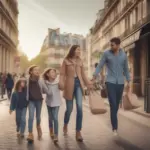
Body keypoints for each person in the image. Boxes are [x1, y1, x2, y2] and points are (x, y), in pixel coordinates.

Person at [93, 37, 131, 135]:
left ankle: (114, 121)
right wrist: (94, 76)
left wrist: (128, 81)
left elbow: (126, 69)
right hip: (110, 82)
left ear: (118, 45)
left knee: (116, 105)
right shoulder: (106, 54)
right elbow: (100, 65)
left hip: (120, 83)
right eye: (110, 44)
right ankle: (115, 127)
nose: (111, 46)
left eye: (112, 45)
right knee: (113, 105)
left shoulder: (123, 55)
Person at [59, 45, 93, 142]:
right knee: (69, 109)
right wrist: (61, 83)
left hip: (79, 85)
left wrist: (89, 83)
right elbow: (62, 74)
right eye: (78, 50)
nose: (79, 51)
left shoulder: (80, 61)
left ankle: (78, 131)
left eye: (80, 50)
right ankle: (65, 124)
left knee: (79, 107)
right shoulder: (66, 61)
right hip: (69, 85)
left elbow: (83, 75)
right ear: (73, 50)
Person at [26, 65, 48, 142]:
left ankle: (38, 126)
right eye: (35, 70)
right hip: (31, 100)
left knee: (38, 117)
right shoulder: (27, 80)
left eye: (38, 70)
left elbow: (45, 89)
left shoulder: (41, 80)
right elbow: (24, 89)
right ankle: (30, 133)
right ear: (31, 72)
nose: (37, 71)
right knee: (31, 117)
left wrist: (50, 90)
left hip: (39, 100)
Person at [43, 68, 62, 143]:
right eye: (52, 72)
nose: (54, 74)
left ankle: (56, 135)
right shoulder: (45, 82)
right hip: (49, 102)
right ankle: (51, 129)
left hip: (57, 102)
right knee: (50, 118)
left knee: (55, 118)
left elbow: (63, 87)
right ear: (48, 74)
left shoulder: (58, 82)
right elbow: (43, 91)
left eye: (55, 72)